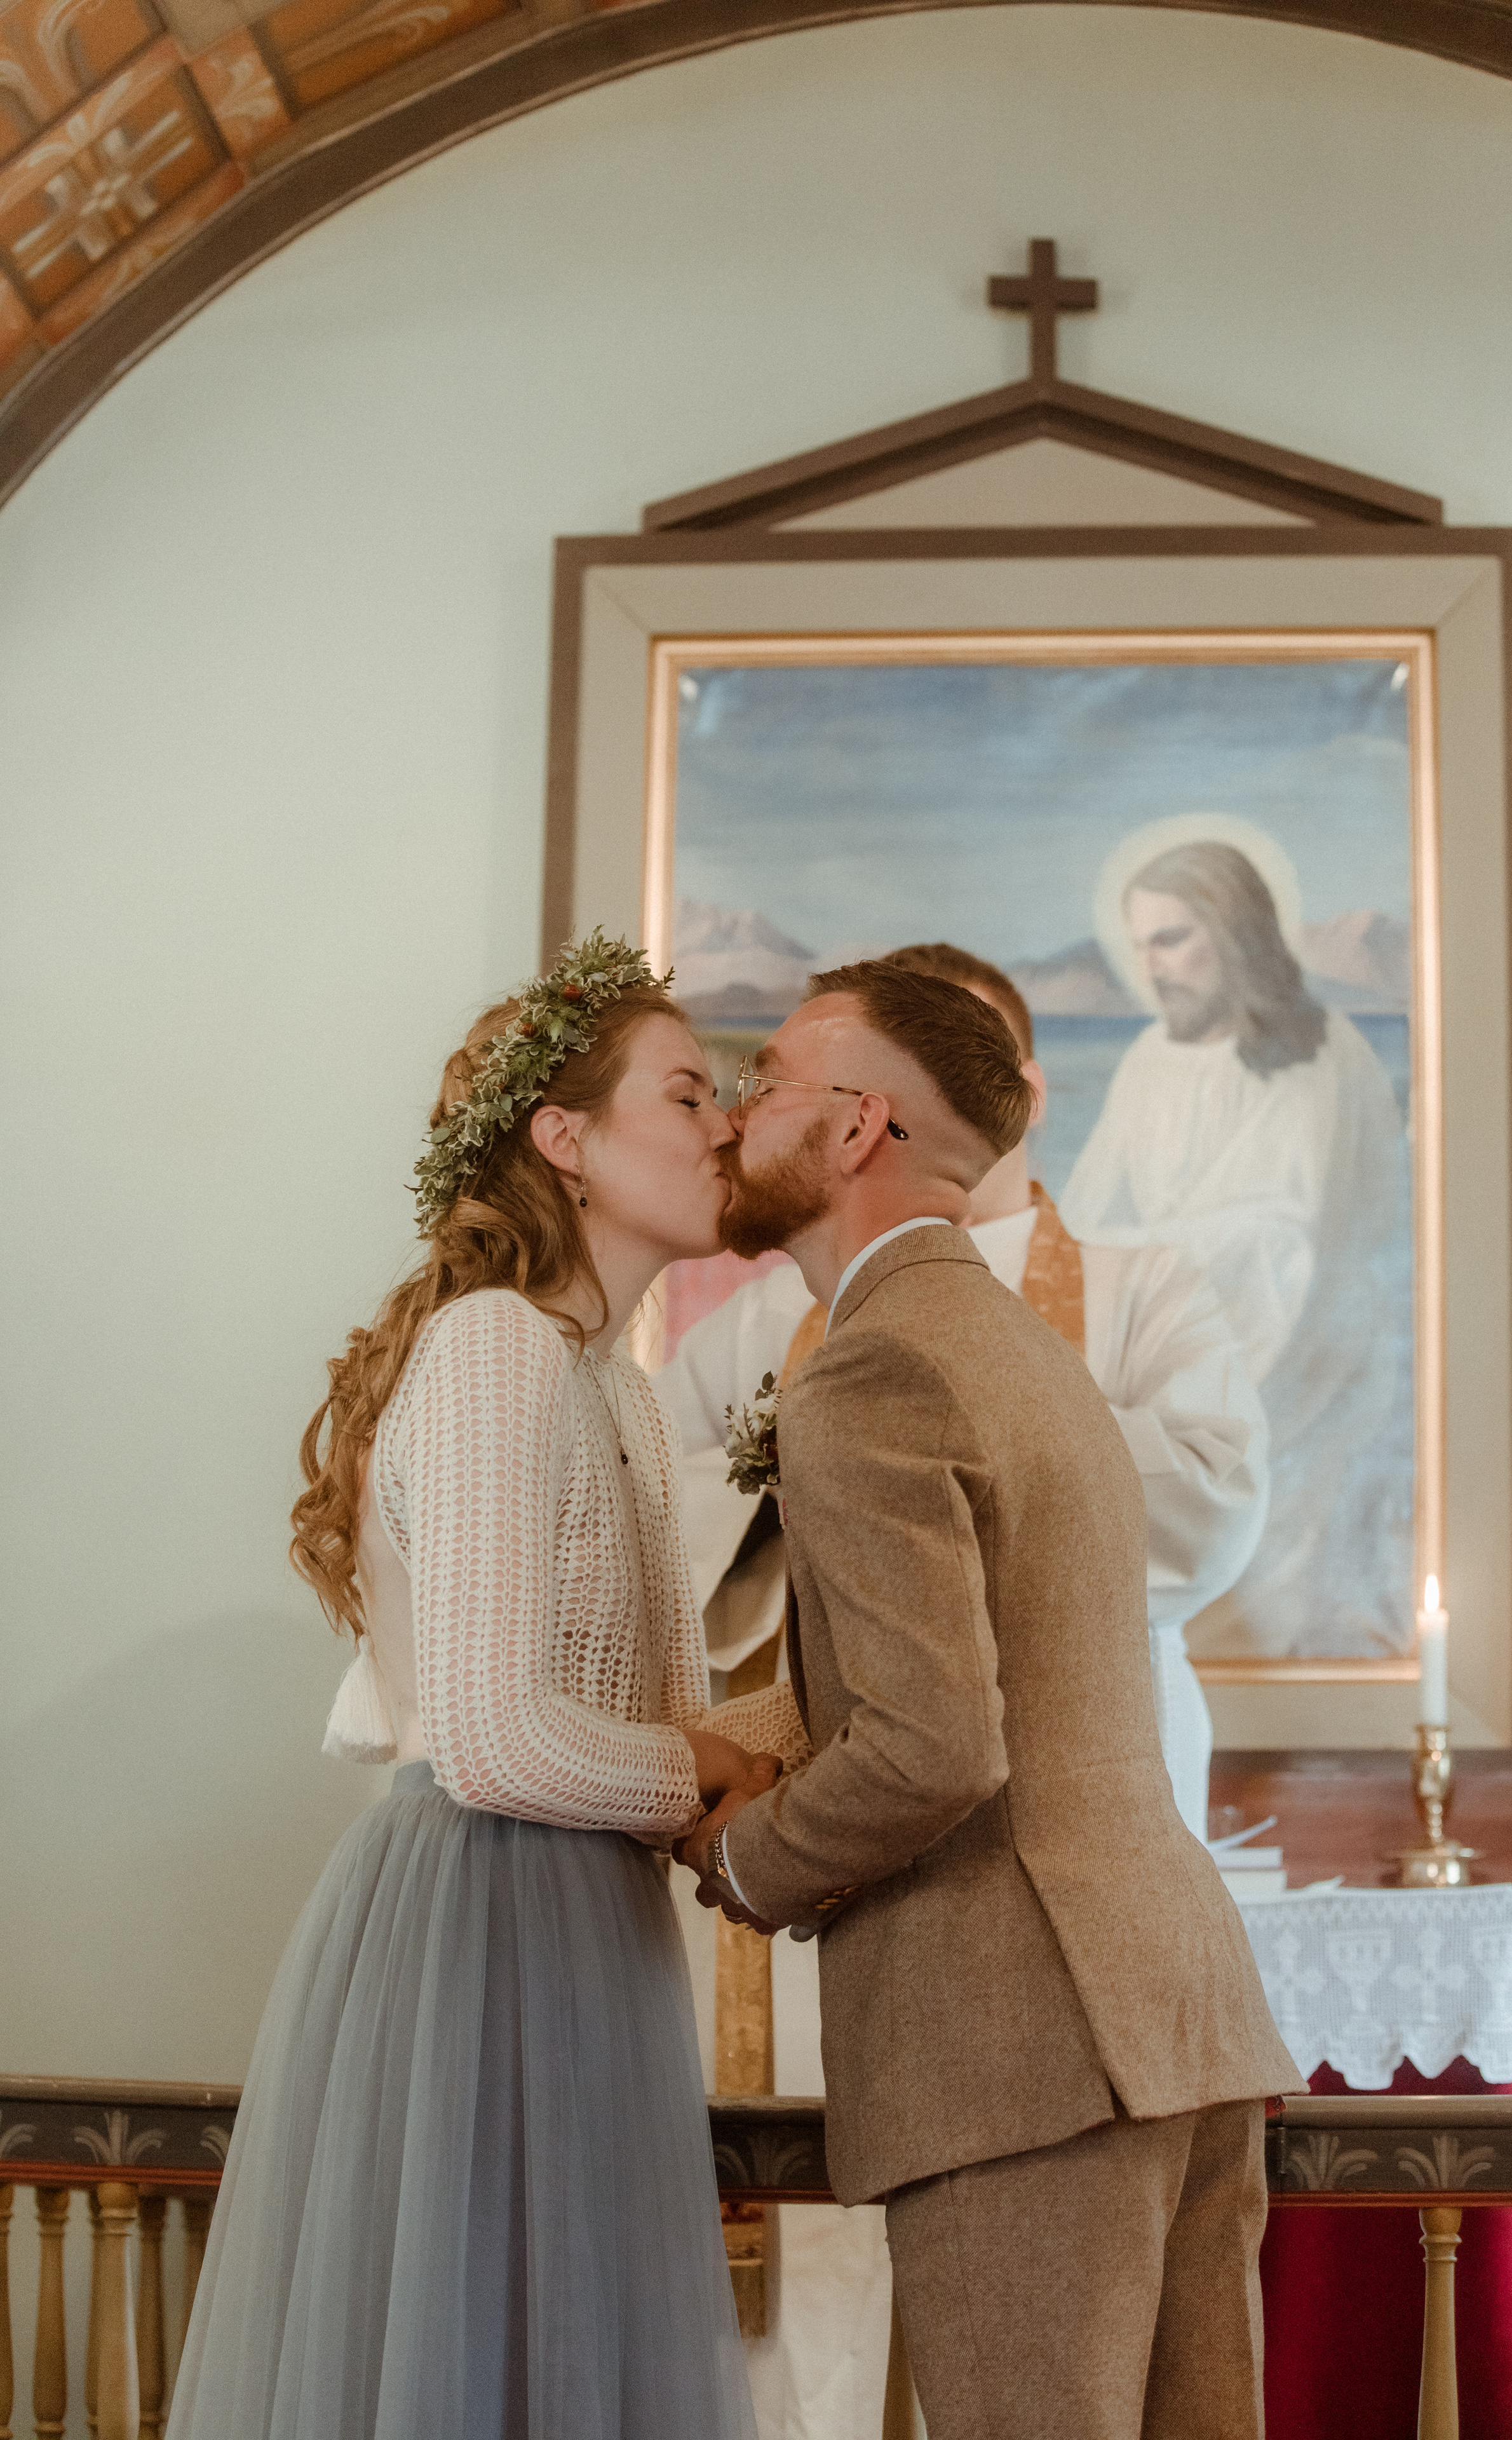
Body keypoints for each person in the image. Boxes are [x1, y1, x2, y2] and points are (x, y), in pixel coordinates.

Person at [168, 933, 807, 2440]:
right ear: (563, 1140)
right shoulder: (491, 1350)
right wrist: (702, 1779)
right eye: (684, 1091)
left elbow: (663, 1720)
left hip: (589, 1923)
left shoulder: (627, 1400)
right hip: (475, 1922)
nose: (723, 1121)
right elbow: (491, 1737)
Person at [677, 960, 1302, 2440]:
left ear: (853, 1131)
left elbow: (932, 1744)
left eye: (765, 1082)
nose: (736, 1116)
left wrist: (745, 1862)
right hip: (1173, 2010)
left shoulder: (874, 1364)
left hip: (1018, 2036)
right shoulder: (1026, 1351)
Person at [661, 940, 1269, 1842]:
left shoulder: (1141, 1288)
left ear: (1016, 1089)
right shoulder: (772, 1316)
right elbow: (650, 1488)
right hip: (842, 1756)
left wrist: (948, 1459)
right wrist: (806, 1485)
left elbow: (1220, 1490)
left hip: (1091, 1753)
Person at [1058, 839, 1404, 1660]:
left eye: (1172, 938)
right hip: (1185, 1362)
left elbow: (1291, 1243)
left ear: (1237, 930)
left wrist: (1140, 1258)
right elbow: (1081, 1224)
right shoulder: (1148, 1061)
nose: (1152, 966)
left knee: (1277, 1610)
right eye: (1139, 944)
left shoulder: (1325, 1054)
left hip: (1306, 1371)